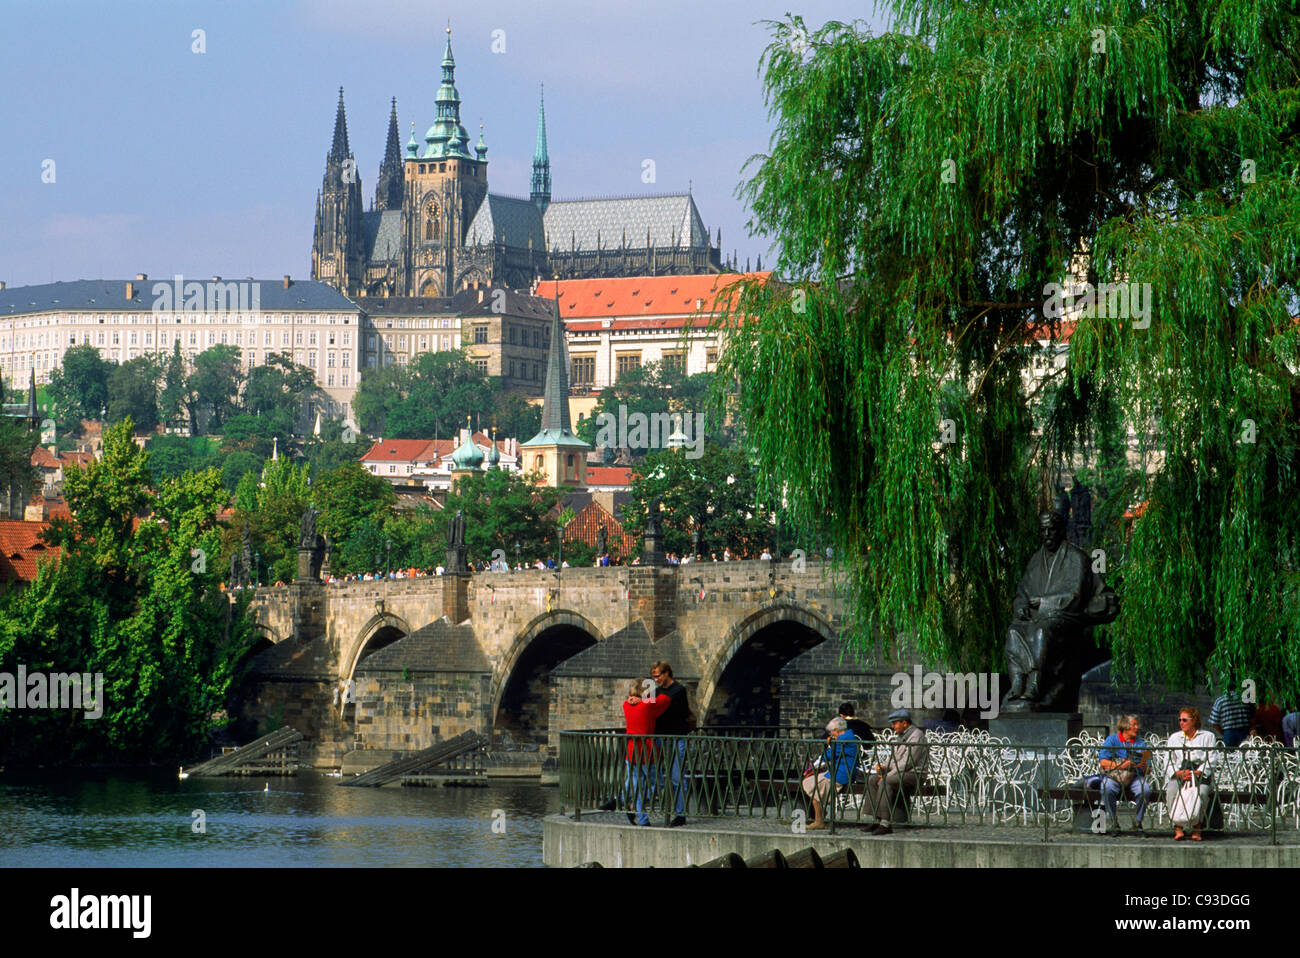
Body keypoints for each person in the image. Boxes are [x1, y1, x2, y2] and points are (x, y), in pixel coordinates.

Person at [864, 708, 928, 834]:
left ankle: (885, 823)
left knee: (886, 781)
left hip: (914, 774)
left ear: (905, 723)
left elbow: (908, 762)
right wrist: (884, 767)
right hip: (900, 772)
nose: (893, 726)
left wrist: (888, 774)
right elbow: (894, 758)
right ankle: (876, 819)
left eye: (895, 723)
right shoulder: (901, 736)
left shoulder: (917, 736)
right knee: (872, 779)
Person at [620, 680, 672, 826]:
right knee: (658, 783)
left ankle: (642, 819)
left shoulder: (626, 705)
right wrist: (651, 694)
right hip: (647, 752)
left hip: (631, 751)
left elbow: (632, 703)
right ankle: (634, 808)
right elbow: (666, 699)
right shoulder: (647, 705)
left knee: (637, 785)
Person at [650, 659, 693, 827]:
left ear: (667, 673)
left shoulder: (678, 690)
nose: (655, 679)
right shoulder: (656, 690)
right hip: (659, 737)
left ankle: (680, 814)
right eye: (653, 677)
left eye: (658, 676)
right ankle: (643, 806)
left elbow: (667, 706)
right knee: (652, 774)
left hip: (676, 737)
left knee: (677, 776)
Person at [1164, 706, 1216, 841]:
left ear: (1194, 721)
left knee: (1202, 792)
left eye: (1185, 720)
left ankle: (1197, 827)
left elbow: (1213, 758)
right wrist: (1177, 772)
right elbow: (1168, 760)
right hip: (1181, 772)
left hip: (1199, 773)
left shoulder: (1208, 736)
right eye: (1180, 720)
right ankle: (1178, 827)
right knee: (1171, 790)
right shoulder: (1174, 738)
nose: (1181, 722)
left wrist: (1199, 772)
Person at [1099, 714, 1155, 835]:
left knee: (1145, 789)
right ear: (1125, 726)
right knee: (1106, 787)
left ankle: (1138, 822)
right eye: (1134, 724)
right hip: (1115, 777)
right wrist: (1121, 765)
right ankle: (1114, 822)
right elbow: (1103, 761)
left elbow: (1148, 769)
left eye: (1136, 724)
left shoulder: (1141, 743)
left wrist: (1144, 767)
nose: (1137, 727)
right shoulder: (1112, 740)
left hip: (1135, 776)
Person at [802, 717, 859, 830]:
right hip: (837, 771)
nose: (831, 734)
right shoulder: (846, 736)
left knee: (814, 786)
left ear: (837, 730)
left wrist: (815, 764)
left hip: (841, 774)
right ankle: (822, 815)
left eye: (832, 731)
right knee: (810, 782)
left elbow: (829, 754)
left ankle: (819, 820)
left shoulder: (843, 739)